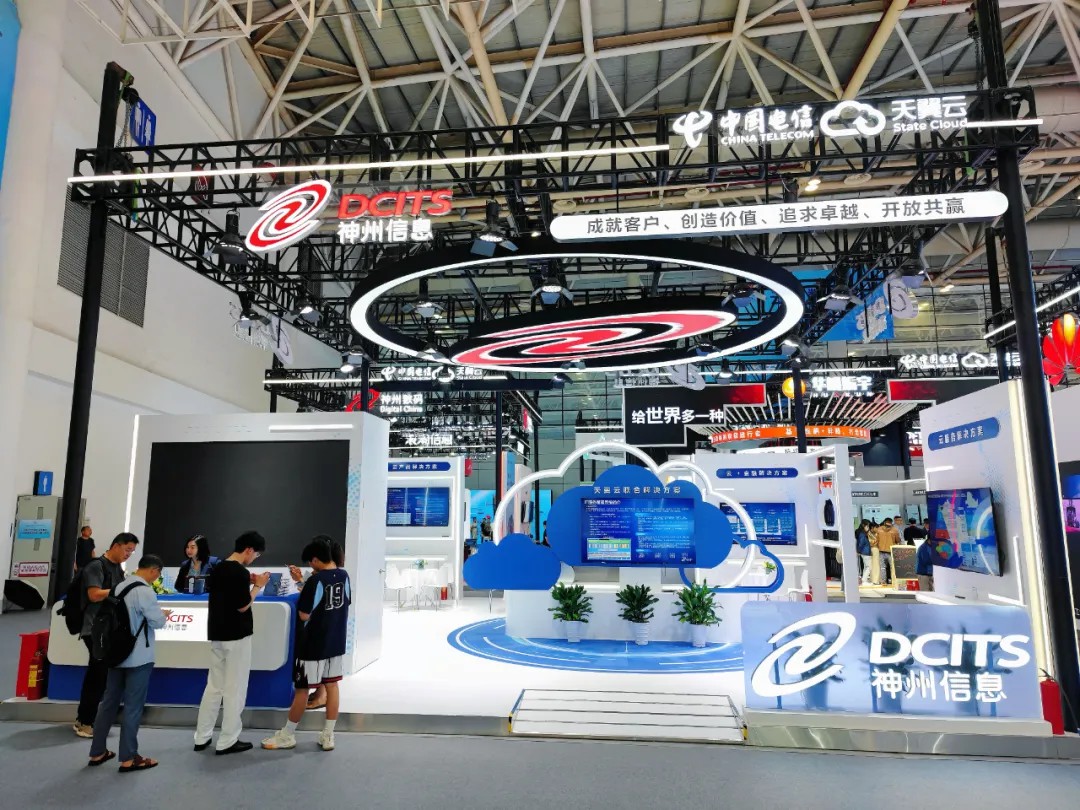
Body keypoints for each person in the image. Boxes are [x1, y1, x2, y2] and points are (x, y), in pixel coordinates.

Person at [263, 537, 351, 753]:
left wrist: (303, 584)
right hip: (335, 643)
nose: (310, 565)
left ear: (316, 559)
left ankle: (287, 735)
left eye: (310, 561)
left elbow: (304, 614)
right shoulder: (344, 576)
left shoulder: (316, 580)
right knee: (332, 686)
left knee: (302, 690)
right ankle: (328, 735)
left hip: (312, 645)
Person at [87, 553, 170, 773]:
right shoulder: (145, 591)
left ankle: (97, 752)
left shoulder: (117, 587)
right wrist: (164, 615)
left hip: (115, 655)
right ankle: (129, 757)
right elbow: (157, 622)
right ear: (154, 570)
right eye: (157, 574)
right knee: (133, 707)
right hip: (138, 657)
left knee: (108, 703)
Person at [193, 531, 270, 755]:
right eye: (256, 554)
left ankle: (202, 736)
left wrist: (249, 581)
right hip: (237, 636)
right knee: (235, 688)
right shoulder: (239, 572)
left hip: (217, 634)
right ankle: (228, 739)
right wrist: (258, 586)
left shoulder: (218, 568)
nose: (254, 558)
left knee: (214, 686)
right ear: (249, 550)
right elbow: (243, 605)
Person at [74, 532, 140, 738]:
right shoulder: (96, 566)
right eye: (127, 549)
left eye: (132, 551)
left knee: (100, 674)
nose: (129, 554)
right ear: (116, 546)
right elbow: (94, 595)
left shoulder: (117, 568)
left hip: (107, 628)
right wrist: (121, 589)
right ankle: (85, 722)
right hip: (94, 628)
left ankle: (86, 719)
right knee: (98, 676)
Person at [877, 517, 901, 585]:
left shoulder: (879, 529)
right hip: (891, 551)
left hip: (881, 551)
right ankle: (894, 581)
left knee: (882, 567)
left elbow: (877, 539)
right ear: (891, 522)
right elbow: (898, 540)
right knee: (892, 567)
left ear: (884, 522)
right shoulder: (894, 530)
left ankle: (883, 581)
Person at [856, 519, 873, 585]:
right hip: (865, 552)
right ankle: (864, 580)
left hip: (864, 552)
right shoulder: (862, 534)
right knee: (869, 567)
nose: (868, 528)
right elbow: (861, 543)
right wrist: (858, 551)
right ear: (863, 525)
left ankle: (864, 580)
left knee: (866, 566)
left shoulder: (861, 533)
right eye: (867, 526)